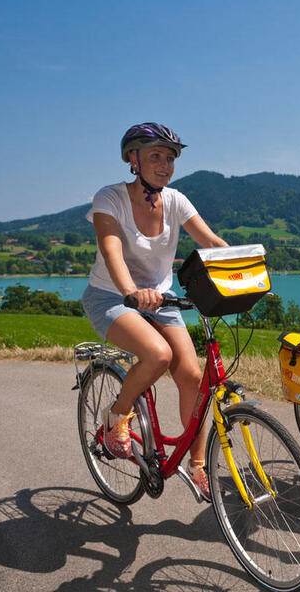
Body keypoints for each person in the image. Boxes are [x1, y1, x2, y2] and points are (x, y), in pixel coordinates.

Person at [81, 122, 228, 500]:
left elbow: (209, 240)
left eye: (170, 158)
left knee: (193, 376)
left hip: (160, 300)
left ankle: (197, 467)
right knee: (157, 355)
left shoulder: (176, 200)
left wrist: (240, 268)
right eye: (155, 156)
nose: (165, 164)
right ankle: (117, 417)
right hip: (111, 297)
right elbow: (111, 247)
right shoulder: (109, 198)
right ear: (134, 159)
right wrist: (130, 290)